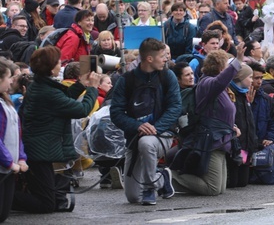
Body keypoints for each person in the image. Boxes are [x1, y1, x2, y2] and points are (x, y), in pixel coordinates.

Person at [13, 47, 98, 213]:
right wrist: (92, 89)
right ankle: (6, 198)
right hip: (40, 152)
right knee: (46, 205)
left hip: (40, 148)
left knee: (50, 199)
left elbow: (64, 98)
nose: (61, 64)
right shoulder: (46, 92)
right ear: (51, 68)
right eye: (58, 62)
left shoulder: (40, 85)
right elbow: (81, 109)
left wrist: (81, 84)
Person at [110, 38, 180, 205]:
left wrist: (155, 128)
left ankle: (150, 187)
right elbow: (116, 112)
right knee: (133, 197)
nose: (166, 59)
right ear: (149, 59)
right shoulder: (126, 80)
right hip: (135, 137)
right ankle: (161, 178)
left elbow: (175, 107)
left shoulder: (167, 76)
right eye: (163, 56)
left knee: (147, 143)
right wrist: (137, 126)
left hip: (162, 134)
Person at [172, 50, 242, 196]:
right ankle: (169, 176)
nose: (228, 69)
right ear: (219, 67)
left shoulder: (215, 86)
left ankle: (171, 183)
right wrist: (238, 61)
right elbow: (220, 81)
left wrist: (232, 126)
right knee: (213, 189)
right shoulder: (207, 83)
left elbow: (219, 112)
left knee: (221, 188)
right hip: (211, 141)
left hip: (222, 139)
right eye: (226, 65)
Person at [0, 60, 26, 222]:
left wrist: (21, 157)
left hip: (8, 168)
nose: (11, 81)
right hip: (5, 166)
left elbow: (16, 133)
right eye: (9, 77)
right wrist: (9, 162)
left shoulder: (6, 102)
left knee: (4, 213)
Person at [226, 64, 258, 188]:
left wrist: (252, 145)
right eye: (250, 77)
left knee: (243, 182)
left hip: (246, 144)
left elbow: (250, 122)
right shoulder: (231, 94)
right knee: (233, 182)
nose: (251, 80)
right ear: (240, 78)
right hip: (235, 144)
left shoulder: (245, 96)